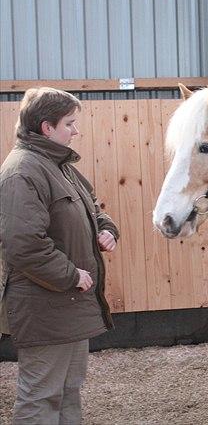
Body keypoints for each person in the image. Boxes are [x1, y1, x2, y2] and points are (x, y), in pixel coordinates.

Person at [0, 87, 119, 424]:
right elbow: (22, 243)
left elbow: (92, 208)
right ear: (46, 128)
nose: (76, 130)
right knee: (39, 397)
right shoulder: (23, 172)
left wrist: (107, 229)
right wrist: (71, 275)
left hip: (68, 307)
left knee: (68, 391)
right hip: (44, 308)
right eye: (70, 123)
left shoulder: (60, 165)